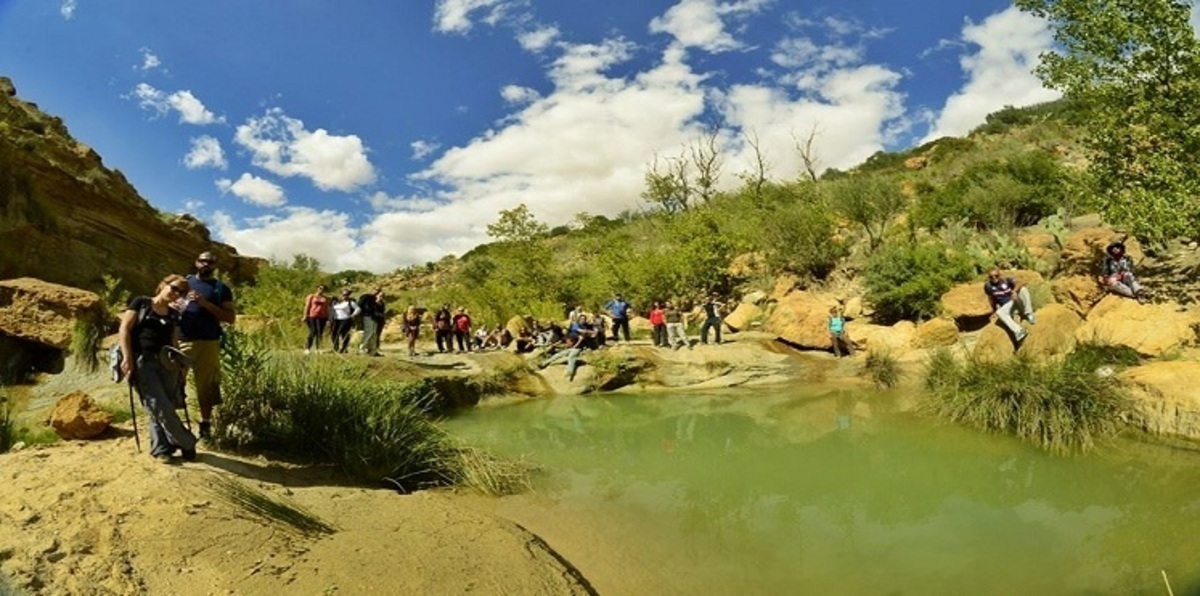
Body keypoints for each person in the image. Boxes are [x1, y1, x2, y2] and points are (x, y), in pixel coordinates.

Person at [121, 274, 199, 462]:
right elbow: (124, 329)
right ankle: (187, 441)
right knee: (158, 404)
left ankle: (162, 449)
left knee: (165, 405)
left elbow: (173, 341)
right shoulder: (141, 303)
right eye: (174, 288)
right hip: (143, 361)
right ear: (163, 285)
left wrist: (180, 367)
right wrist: (127, 357)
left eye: (181, 292)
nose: (176, 294)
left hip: (167, 363)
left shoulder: (173, 314)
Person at [180, 251, 236, 441]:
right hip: (182, 340)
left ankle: (205, 425)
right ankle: (173, 424)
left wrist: (205, 304)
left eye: (210, 262)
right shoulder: (184, 283)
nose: (206, 264)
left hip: (208, 342)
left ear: (215, 266)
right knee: (175, 381)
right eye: (203, 261)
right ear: (196, 263)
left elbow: (230, 318)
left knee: (207, 386)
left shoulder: (221, 288)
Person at [984, 269, 1035, 342]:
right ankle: (1019, 331)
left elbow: (1020, 282)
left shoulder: (1006, 281)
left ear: (1000, 275)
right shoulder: (988, 286)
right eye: (991, 277)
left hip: (1016, 302)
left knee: (1023, 290)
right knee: (999, 312)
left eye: (996, 276)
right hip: (1008, 308)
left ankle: (1029, 314)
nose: (994, 278)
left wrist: (1014, 291)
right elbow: (992, 299)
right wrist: (994, 311)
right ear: (989, 278)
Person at [302, 284, 330, 354]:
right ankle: (307, 348)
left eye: (323, 289)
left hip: (322, 317)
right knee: (313, 331)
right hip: (312, 316)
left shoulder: (325, 298)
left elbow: (327, 308)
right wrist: (305, 315)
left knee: (320, 333)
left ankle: (318, 348)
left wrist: (328, 318)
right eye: (320, 288)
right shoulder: (311, 296)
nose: (321, 290)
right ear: (317, 288)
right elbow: (307, 306)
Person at [329, 289, 360, 354]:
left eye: (346, 295)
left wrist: (353, 315)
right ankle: (335, 347)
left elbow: (358, 309)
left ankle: (344, 348)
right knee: (334, 334)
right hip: (336, 320)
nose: (344, 296)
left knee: (343, 334)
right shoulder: (336, 302)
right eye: (343, 294)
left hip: (345, 319)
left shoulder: (350, 302)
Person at [358, 287, 386, 356]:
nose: (376, 291)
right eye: (375, 290)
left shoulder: (377, 300)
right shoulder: (366, 297)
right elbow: (362, 306)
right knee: (368, 332)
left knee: (374, 333)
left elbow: (380, 310)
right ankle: (362, 348)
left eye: (378, 290)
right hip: (368, 316)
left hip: (374, 318)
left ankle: (372, 350)